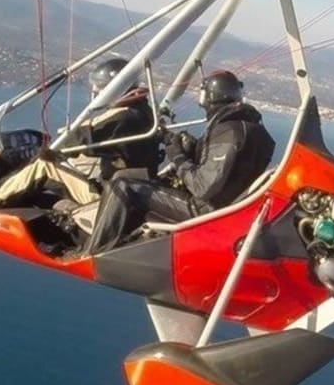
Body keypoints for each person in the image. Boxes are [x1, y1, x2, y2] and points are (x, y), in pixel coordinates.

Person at [86, 70, 275, 254]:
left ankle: (92, 251)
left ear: (208, 97)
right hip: (229, 209)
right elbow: (232, 170)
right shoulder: (254, 130)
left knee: (124, 186)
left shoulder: (228, 132)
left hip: (206, 212)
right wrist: (190, 149)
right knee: (148, 184)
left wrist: (177, 156)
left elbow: (202, 187)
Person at [0, 57, 161, 209]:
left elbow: (78, 137)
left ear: (111, 90)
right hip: (133, 188)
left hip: (112, 197)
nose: (96, 93)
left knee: (46, 164)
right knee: (76, 163)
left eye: (99, 89)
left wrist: (54, 148)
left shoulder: (122, 117)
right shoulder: (143, 110)